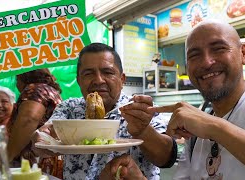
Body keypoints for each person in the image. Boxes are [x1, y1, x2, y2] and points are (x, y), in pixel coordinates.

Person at [100, 20, 245, 179]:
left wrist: (215, 127)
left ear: (243, 53)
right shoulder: (194, 141)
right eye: (194, 55)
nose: (207, 62)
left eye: (218, 48)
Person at [31, 43, 176, 179]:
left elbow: (165, 158)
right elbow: (45, 135)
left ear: (122, 79)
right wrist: (40, 139)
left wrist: (143, 130)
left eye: (108, 72)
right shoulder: (68, 108)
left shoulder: (139, 109)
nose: (99, 80)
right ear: (79, 80)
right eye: (88, 73)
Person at [6, 69, 63, 178]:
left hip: (38, 164)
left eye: (17, 79)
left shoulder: (35, 90)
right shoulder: (48, 90)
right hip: (51, 160)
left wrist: (8, 157)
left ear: (23, 77)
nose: (17, 84)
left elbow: (29, 119)